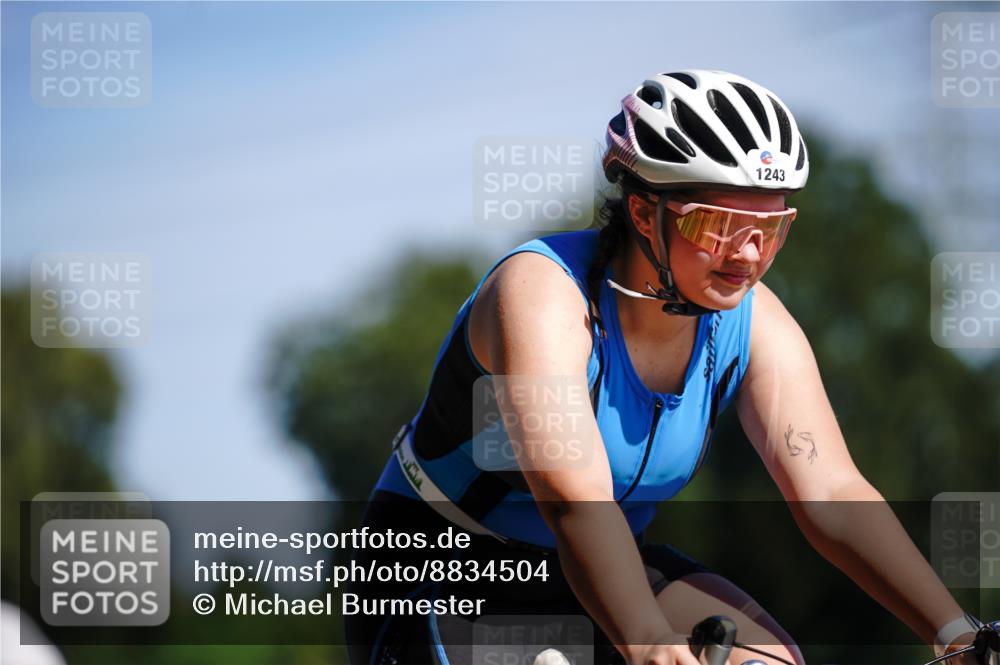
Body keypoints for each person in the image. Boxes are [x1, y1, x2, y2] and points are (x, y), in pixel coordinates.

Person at [344, 69, 982, 665]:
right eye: (719, 223)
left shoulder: (753, 319)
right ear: (644, 211)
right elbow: (574, 497)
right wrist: (646, 639)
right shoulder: (541, 293)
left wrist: (957, 636)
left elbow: (833, 494)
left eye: (773, 225)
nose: (750, 252)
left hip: (604, 563)